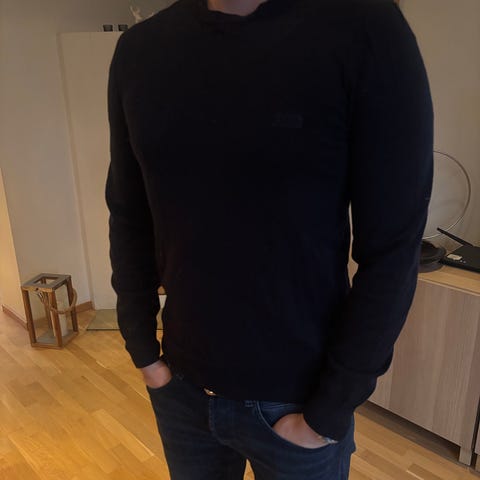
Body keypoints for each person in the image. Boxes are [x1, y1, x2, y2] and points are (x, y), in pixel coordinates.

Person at [105, 0, 433, 478]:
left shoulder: (365, 29)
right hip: (182, 391)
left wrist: (329, 411)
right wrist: (143, 349)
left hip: (300, 401)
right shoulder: (140, 50)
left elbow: (394, 246)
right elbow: (129, 211)